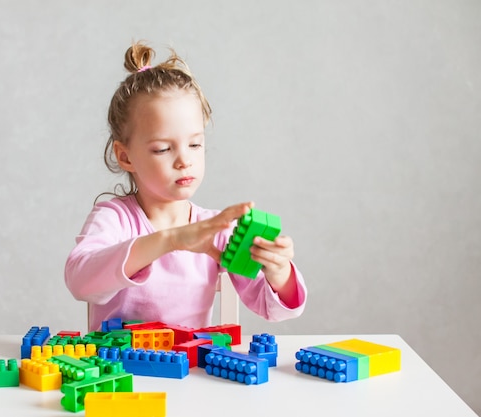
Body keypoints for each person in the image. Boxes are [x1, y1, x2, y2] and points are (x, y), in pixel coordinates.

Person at [65, 41, 307, 331]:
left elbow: (273, 309)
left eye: (195, 144)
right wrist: (171, 240)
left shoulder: (216, 230)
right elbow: (80, 282)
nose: (184, 161)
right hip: (122, 373)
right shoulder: (113, 219)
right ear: (125, 156)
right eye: (162, 149)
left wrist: (279, 272)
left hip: (190, 374)